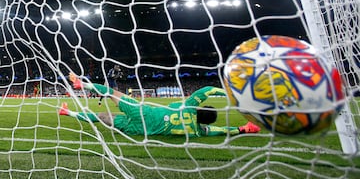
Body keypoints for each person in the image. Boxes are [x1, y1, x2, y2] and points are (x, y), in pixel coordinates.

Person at [59, 73, 260, 137]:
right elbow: (219, 130)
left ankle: (82, 84)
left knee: (112, 92)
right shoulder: (198, 131)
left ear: (200, 109)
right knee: (103, 117)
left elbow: (204, 91)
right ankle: (67, 112)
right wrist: (242, 129)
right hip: (142, 130)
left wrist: (228, 93)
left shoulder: (191, 106)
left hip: (145, 113)